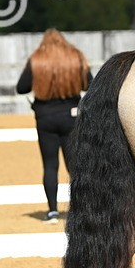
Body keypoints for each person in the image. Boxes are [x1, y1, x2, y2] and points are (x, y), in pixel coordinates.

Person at [17, 29, 92, 220]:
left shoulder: (37, 59)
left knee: (50, 165)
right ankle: (80, 210)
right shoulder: (75, 57)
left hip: (45, 117)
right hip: (72, 116)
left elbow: (21, 87)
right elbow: (89, 85)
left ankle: (52, 210)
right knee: (75, 166)